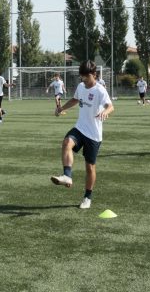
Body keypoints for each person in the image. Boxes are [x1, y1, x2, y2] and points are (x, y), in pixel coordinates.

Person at [50, 60, 114, 209]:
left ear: (93, 75)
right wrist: (61, 108)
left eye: (86, 77)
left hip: (94, 135)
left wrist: (105, 111)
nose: (83, 80)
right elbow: (75, 99)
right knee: (66, 142)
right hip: (80, 128)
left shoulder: (100, 90)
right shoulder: (80, 86)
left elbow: (110, 106)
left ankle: (87, 197)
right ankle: (67, 175)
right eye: (82, 77)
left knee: (89, 167)